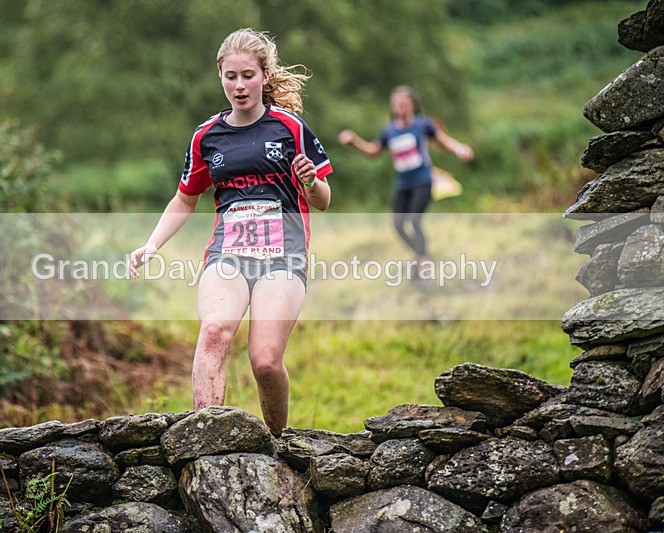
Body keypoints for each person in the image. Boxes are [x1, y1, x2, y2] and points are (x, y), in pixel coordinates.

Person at [128, 28, 332, 436]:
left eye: (248, 76)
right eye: (230, 76)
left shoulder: (290, 128)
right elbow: (185, 199)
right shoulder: (207, 136)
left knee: (266, 361)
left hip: (284, 256)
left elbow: (323, 201)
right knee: (215, 330)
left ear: (264, 76)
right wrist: (151, 244)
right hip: (227, 255)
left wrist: (309, 181)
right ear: (220, 76)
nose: (239, 86)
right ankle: (206, 441)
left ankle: (277, 444)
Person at [338, 85, 473, 279]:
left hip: (423, 180)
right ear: (393, 107)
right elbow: (373, 152)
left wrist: (460, 149)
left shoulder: (422, 124)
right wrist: (354, 141)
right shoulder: (389, 131)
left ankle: (423, 264)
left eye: (405, 103)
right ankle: (422, 257)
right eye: (397, 104)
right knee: (398, 225)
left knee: (415, 221)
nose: (400, 107)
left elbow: (443, 141)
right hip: (403, 184)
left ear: (412, 105)